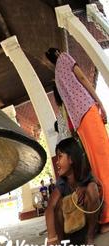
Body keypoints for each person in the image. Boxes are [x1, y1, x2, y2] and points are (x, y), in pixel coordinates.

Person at [46, 48, 109, 233]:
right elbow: (82, 79)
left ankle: (104, 218)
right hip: (87, 112)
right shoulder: (65, 58)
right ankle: (105, 217)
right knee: (105, 160)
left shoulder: (57, 77)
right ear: (58, 53)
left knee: (98, 165)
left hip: (79, 122)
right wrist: (100, 102)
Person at [45, 138, 101, 246]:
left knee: (92, 188)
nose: (57, 162)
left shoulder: (85, 173)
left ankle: (90, 237)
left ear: (71, 159)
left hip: (86, 227)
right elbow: (49, 208)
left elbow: (98, 185)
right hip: (69, 234)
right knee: (57, 204)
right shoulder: (61, 182)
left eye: (60, 157)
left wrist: (85, 188)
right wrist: (52, 239)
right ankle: (60, 244)